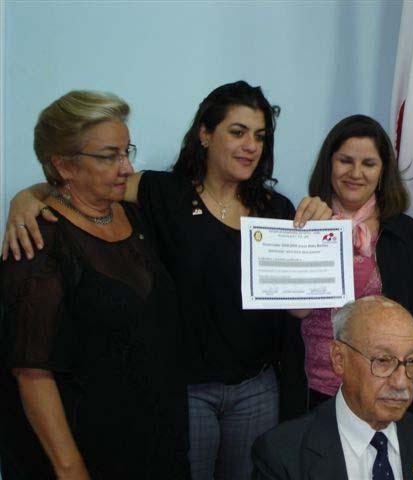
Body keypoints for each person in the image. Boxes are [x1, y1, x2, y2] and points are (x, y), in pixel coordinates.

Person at [1, 81, 331, 480]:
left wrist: (318, 231)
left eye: (260, 136)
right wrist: (25, 197)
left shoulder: (276, 209)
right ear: (205, 135)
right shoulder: (162, 193)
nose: (251, 146)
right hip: (185, 390)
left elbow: (300, 306)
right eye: (238, 132)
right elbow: (75, 190)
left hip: (255, 387)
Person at [0, 91, 189, 479]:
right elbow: (32, 372)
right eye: (109, 156)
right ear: (64, 166)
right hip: (86, 453)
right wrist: (70, 469)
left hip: (154, 443)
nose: (126, 167)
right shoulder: (39, 243)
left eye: (126, 151)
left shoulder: (135, 217)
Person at [299, 114, 413, 434]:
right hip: (314, 397)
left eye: (368, 164)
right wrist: (307, 235)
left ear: (382, 172)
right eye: (345, 161)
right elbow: (290, 312)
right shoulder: (303, 224)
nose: (356, 173)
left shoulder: (408, 237)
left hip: (393, 402)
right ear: (328, 165)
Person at [252, 295, 413, 479]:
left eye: (411, 362)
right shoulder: (283, 455)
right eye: (382, 361)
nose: (401, 383)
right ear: (338, 358)